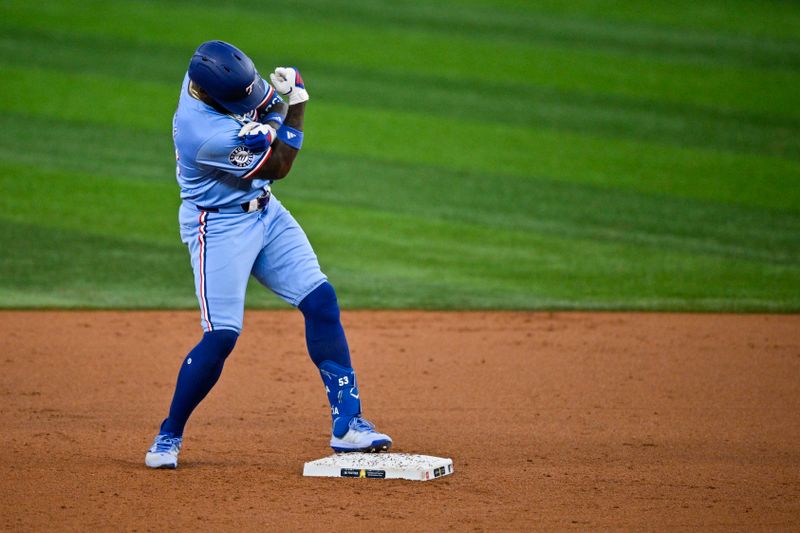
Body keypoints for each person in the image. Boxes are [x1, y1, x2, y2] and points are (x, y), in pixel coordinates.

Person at [145, 40, 391, 469]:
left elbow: (266, 106)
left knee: (321, 301)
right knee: (222, 336)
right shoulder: (202, 133)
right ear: (207, 93)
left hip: (266, 214)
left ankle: (348, 425)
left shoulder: (222, 76)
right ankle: (169, 435)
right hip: (218, 226)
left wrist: (274, 115)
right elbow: (280, 164)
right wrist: (297, 107)